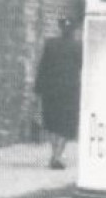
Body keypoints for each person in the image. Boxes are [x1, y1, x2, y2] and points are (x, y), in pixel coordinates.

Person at [35, 18, 84, 170]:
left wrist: (37, 90)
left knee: (52, 122)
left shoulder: (50, 44)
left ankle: (54, 155)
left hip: (51, 90)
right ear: (74, 31)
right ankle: (57, 156)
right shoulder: (78, 47)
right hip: (70, 91)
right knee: (66, 124)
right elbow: (82, 68)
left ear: (60, 29)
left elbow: (42, 67)